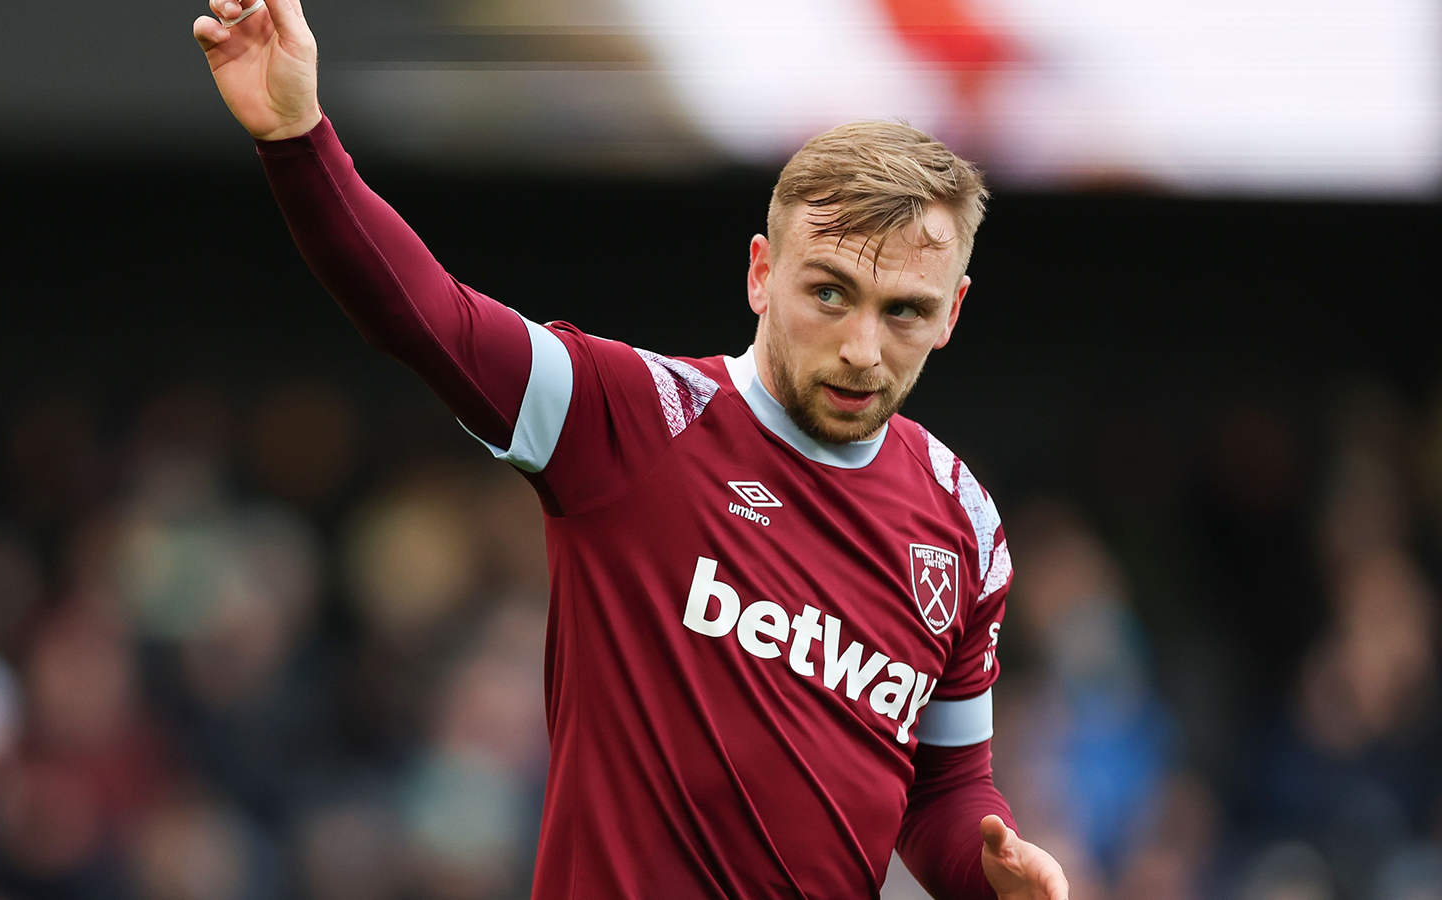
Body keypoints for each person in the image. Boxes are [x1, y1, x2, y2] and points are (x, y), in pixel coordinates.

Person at [193, 1, 1071, 897]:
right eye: (831, 293)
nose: (861, 347)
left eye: (905, 313)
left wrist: (994, 874)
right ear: (762, 273)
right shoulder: (637, 416)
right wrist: (297, 137)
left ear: (951, 314)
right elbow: (426, 315)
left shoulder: (961, 521)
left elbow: (945, 793)